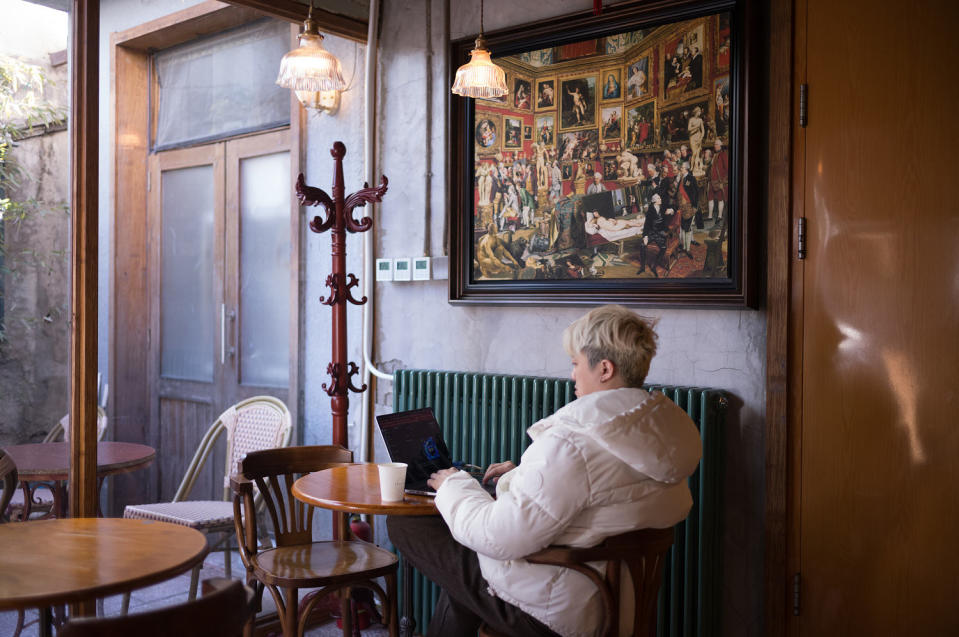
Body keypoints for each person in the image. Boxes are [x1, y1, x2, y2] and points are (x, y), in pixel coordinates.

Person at [387, 305, 702, 637]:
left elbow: (500, 537)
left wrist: (454, 485)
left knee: (408, 524)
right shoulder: (656, 437)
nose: (572, 375)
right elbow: (596, 496)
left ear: (605, 369)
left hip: (554, 614)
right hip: (620, 602)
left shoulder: (573, 443)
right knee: (461, 580)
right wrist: (519, 475)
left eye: (576, 363)